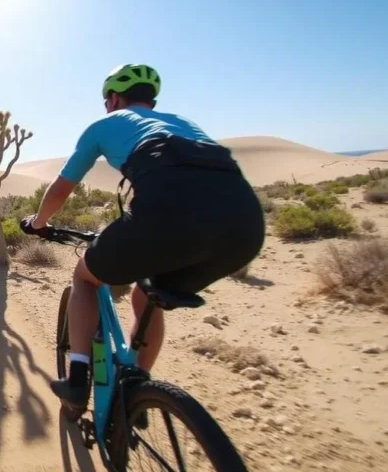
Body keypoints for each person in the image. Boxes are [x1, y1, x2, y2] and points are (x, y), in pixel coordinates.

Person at [21, 64, 265, 410]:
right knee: (148, 293)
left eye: (107, 100)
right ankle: (136, 393)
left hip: (167, 213)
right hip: (244, 227)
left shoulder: (104, 125)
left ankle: (77, 378)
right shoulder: (185, 123)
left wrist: (38, 222)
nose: (107, 107)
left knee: (85, 278)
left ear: (115, 98)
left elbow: (62, 187)